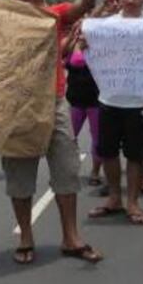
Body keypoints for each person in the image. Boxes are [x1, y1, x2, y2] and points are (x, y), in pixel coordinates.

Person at [4, 0, 103, 264]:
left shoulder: (55, 15)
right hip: (17, 108)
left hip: (54, 104)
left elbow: (86, 3)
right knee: (20, 177)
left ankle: (71, 238)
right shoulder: (1, 20)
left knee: (67, 170)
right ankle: (26, 236)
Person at [88, 0, 143, 225]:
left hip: (137, 102)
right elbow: (88, 38)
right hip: (108, 99)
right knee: (107, 152)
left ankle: (133, 202)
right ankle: (114, 198)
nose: (130, 0)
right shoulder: (107, 25)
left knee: (136, 156)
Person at [63, 21, 103, 185]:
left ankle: (95, 172)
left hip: (95, 102)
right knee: (69, 138)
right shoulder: (72, 49)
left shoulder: (99, 51)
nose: (83, 37)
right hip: (75, 101)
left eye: (86, 34)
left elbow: (79, 61)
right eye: (80, 33)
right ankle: (68, 168)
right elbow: (71, 62)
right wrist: (75, 42)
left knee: (97, 139)